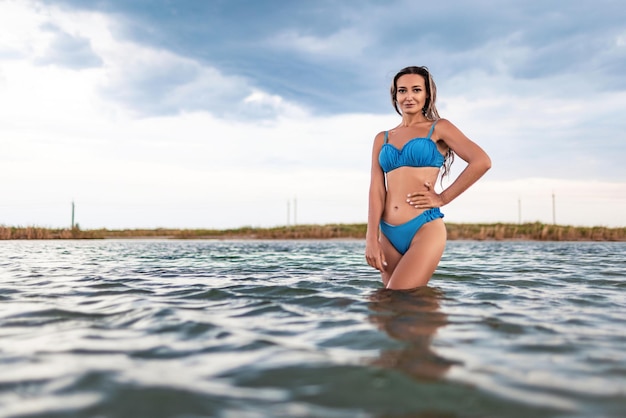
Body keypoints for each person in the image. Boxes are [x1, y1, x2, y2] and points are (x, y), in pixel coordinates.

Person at [365, 66, 491, 290]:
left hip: (424, 227)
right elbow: (376, 190)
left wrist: (443, 198)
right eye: (402, 91)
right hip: (388, 232)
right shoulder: (382, 138)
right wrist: (371, 237)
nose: (409, 96)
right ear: (395, 96)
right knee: (387, 307)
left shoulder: (439, 128)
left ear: (427, 94)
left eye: (416, 90)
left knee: (399, 294)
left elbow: (481, 161)